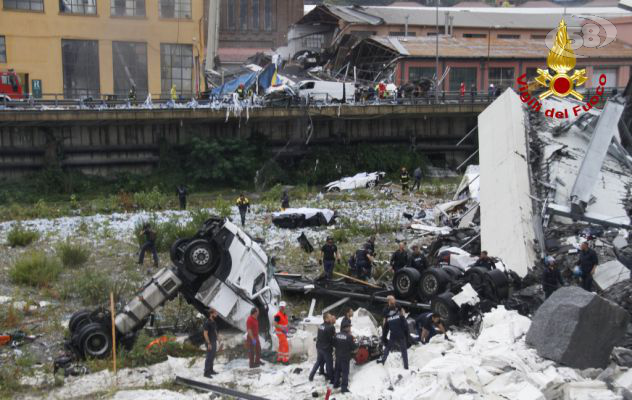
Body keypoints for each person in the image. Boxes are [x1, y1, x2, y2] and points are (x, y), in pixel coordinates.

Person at [378, 296, 409, 369]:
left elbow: (402, 313)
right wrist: (384, 335)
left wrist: (406, 332)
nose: (394, 302)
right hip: (393, 331)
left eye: (394, 300)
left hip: (400, 330)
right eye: (392, 301)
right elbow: (385, 320)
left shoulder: (398, 305)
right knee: (388, 347)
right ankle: (383, 360)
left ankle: (406, 366)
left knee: (403, 349)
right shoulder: (386, 309)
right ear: (389, 301)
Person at [309, 313, 336, 383]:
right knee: (329, 363)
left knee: (318, 362)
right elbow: (332, 338)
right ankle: (332, 379)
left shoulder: (321, 326)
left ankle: (311, 376)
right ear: (326, 318)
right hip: (326, 348)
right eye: (330, 317)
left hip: (319, 347)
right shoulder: (330, 327)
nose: (331, 318)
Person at [333, 320, 354, 393]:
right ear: (346, 328)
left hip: (338, 356)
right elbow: (353, 347)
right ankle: (344, 388)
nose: (350, 328)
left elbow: (334, 344)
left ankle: (335, 384)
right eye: (349, 327)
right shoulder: (349, 336)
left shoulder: (337, 335)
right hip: (345, 357)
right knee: (345, 372)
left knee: (337, 370)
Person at [203, 309, 219, 378]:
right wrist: (208, 343)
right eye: (215, 313)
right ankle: (206, 372)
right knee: (209, 357)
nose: (217, 314)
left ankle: (211, 370)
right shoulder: (207, 322)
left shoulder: (214, 322)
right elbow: (205, 334)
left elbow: (215, 330)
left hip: (214, 341)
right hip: (209, 342)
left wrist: (217, 337)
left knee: (212, 356)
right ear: (211, 314)